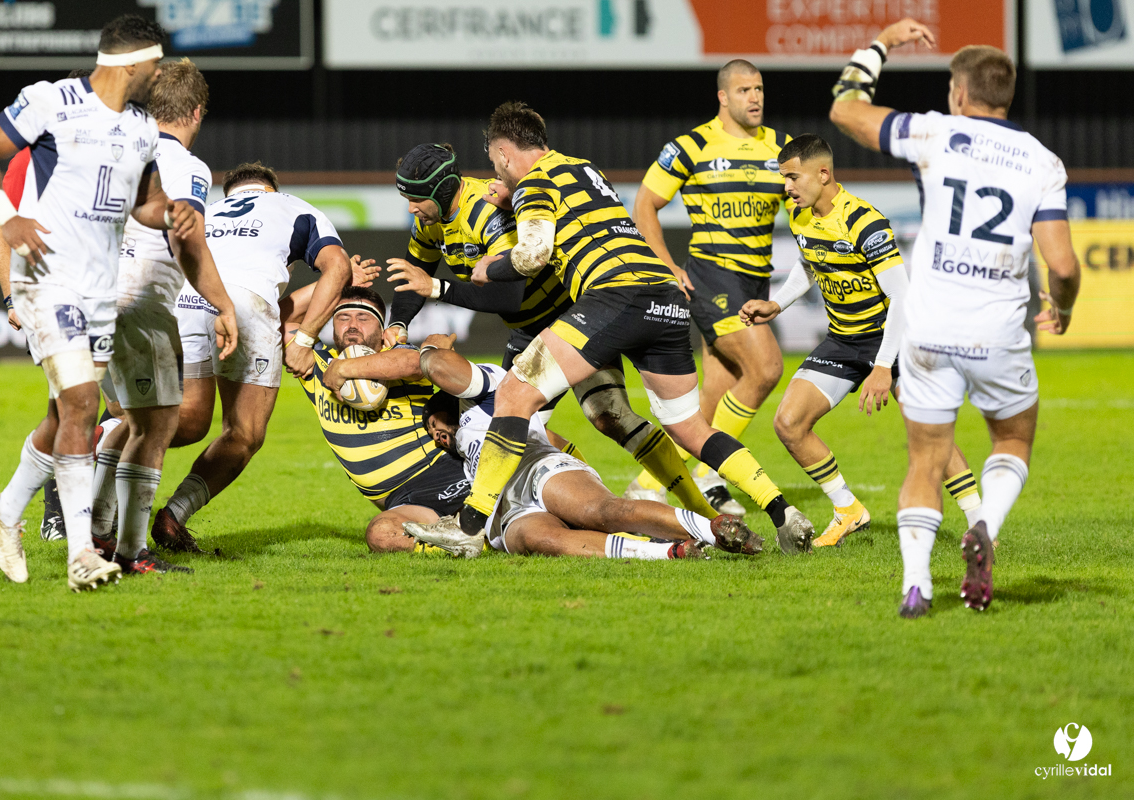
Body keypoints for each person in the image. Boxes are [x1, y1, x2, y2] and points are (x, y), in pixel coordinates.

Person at [406, 102, 815, 555]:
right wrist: (513, 201)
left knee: (514, 393)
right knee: (688, 426)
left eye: (495, 162)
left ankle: (468, 526)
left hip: (616, 296)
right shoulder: (582, 167)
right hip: (664, 295)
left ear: (503, 154)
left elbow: (533, 254)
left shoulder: (534, 183)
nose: (496, 172)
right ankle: (781, 513)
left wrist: (490, 267)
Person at [829, 21, 1081, 616]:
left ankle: (915, 584)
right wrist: (1062, 306)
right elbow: (1063, 264)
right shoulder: (1043, 161)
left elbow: (845, 110)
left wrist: (882, 45)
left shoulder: (935, 132)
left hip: (930, 330)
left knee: (926, 459)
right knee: (1013, 437)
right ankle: (985, 525)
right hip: (997, 331)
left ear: (961, 93)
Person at [0, 14, 201, 591]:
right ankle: (81, 554)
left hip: (100, 289)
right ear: (131, 63)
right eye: (154, 64)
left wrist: (172, 210)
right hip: (46, 278)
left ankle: (7, 507)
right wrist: (8, 217)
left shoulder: (141, 127)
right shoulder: (51, 101)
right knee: (81, 402)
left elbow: (146, 204)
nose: (158, 74)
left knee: (63, 414)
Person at [386, 143, 717, 519]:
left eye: (416, 198)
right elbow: (413, 276)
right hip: (528, 332)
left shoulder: (484, 210)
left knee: (611, 418)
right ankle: (578, 505)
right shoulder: (429, 224)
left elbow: (509, 294)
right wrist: (398, 324)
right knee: (518, 433)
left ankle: (694, 508)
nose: (411, 208)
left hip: (570, 320)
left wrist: (439, 289)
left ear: (441, 190)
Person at [740, 134, 983, 547]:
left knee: (927, 432)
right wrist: (776, 304)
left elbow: (901, 299)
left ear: (823, 173)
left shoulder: (863, 221)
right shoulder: (799, 214)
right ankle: (848, 509)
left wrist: (883, 367)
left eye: (793, 177)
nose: (787, 187)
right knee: (789, 423)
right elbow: (808, 263)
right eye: (784, 179)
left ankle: (980, 522)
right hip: (843, 340)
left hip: (896, 339)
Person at [395, 338, 761, 559]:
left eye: (434, 427)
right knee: (544, 540)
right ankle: (668, 553)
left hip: (538, 472)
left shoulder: (489, 391)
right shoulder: (466, 459)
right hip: (506, 513)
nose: (436, 437)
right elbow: (558, 439)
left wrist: (431, 345)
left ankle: (714, 529)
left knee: (599, 510)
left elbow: (441, 366)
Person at [151, 162, 354, 553]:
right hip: (243, 305)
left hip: (185, 301)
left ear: (231, 193)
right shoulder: (293, 206)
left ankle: (107, 439)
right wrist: (305, 340)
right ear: (270, 188)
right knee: (243, 433)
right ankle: (173, 515)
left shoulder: (205, 210)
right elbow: (338, 267)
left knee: (191, 420)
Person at [88, 58, 239, 575]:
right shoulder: (187, 167)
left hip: (93, 299)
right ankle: (131, 554)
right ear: (196, 112)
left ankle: (100, 532)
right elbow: (187, 237)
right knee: (155, 428)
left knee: (132, 420)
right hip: (139, 304)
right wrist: (223, 304)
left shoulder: (119, 147)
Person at [626, 60, 791, 515]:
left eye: (759, 88)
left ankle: (648, 484)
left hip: (756, 278)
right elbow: (645, 204)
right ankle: (711, 474)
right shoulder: (691, 145)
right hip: (711, 276)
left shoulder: (779, 147)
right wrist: (666, 266)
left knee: (711, 400)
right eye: (743, 90)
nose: (754, 97)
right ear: (723, 97)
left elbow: (804, 206)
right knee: (766, 368)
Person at [0, 67, 93, 543]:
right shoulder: (33, 155)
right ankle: (59, 517)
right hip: (51, 292)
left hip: (97, 291)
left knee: (78, 407)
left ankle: (18, 509)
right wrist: (12, 295)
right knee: (81, 403)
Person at [287, 287, 473, 553]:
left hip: (444, 475)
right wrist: (332, 282)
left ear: (382, 327)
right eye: (343, 317)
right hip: (404, 502)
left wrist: (343, 369)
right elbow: (274, 318)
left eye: (363, 318)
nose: (352, 325)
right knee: (381, 534)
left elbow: (415, 363)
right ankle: (471, 545)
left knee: (503, 510)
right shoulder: (315, 366)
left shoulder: (397, 355)